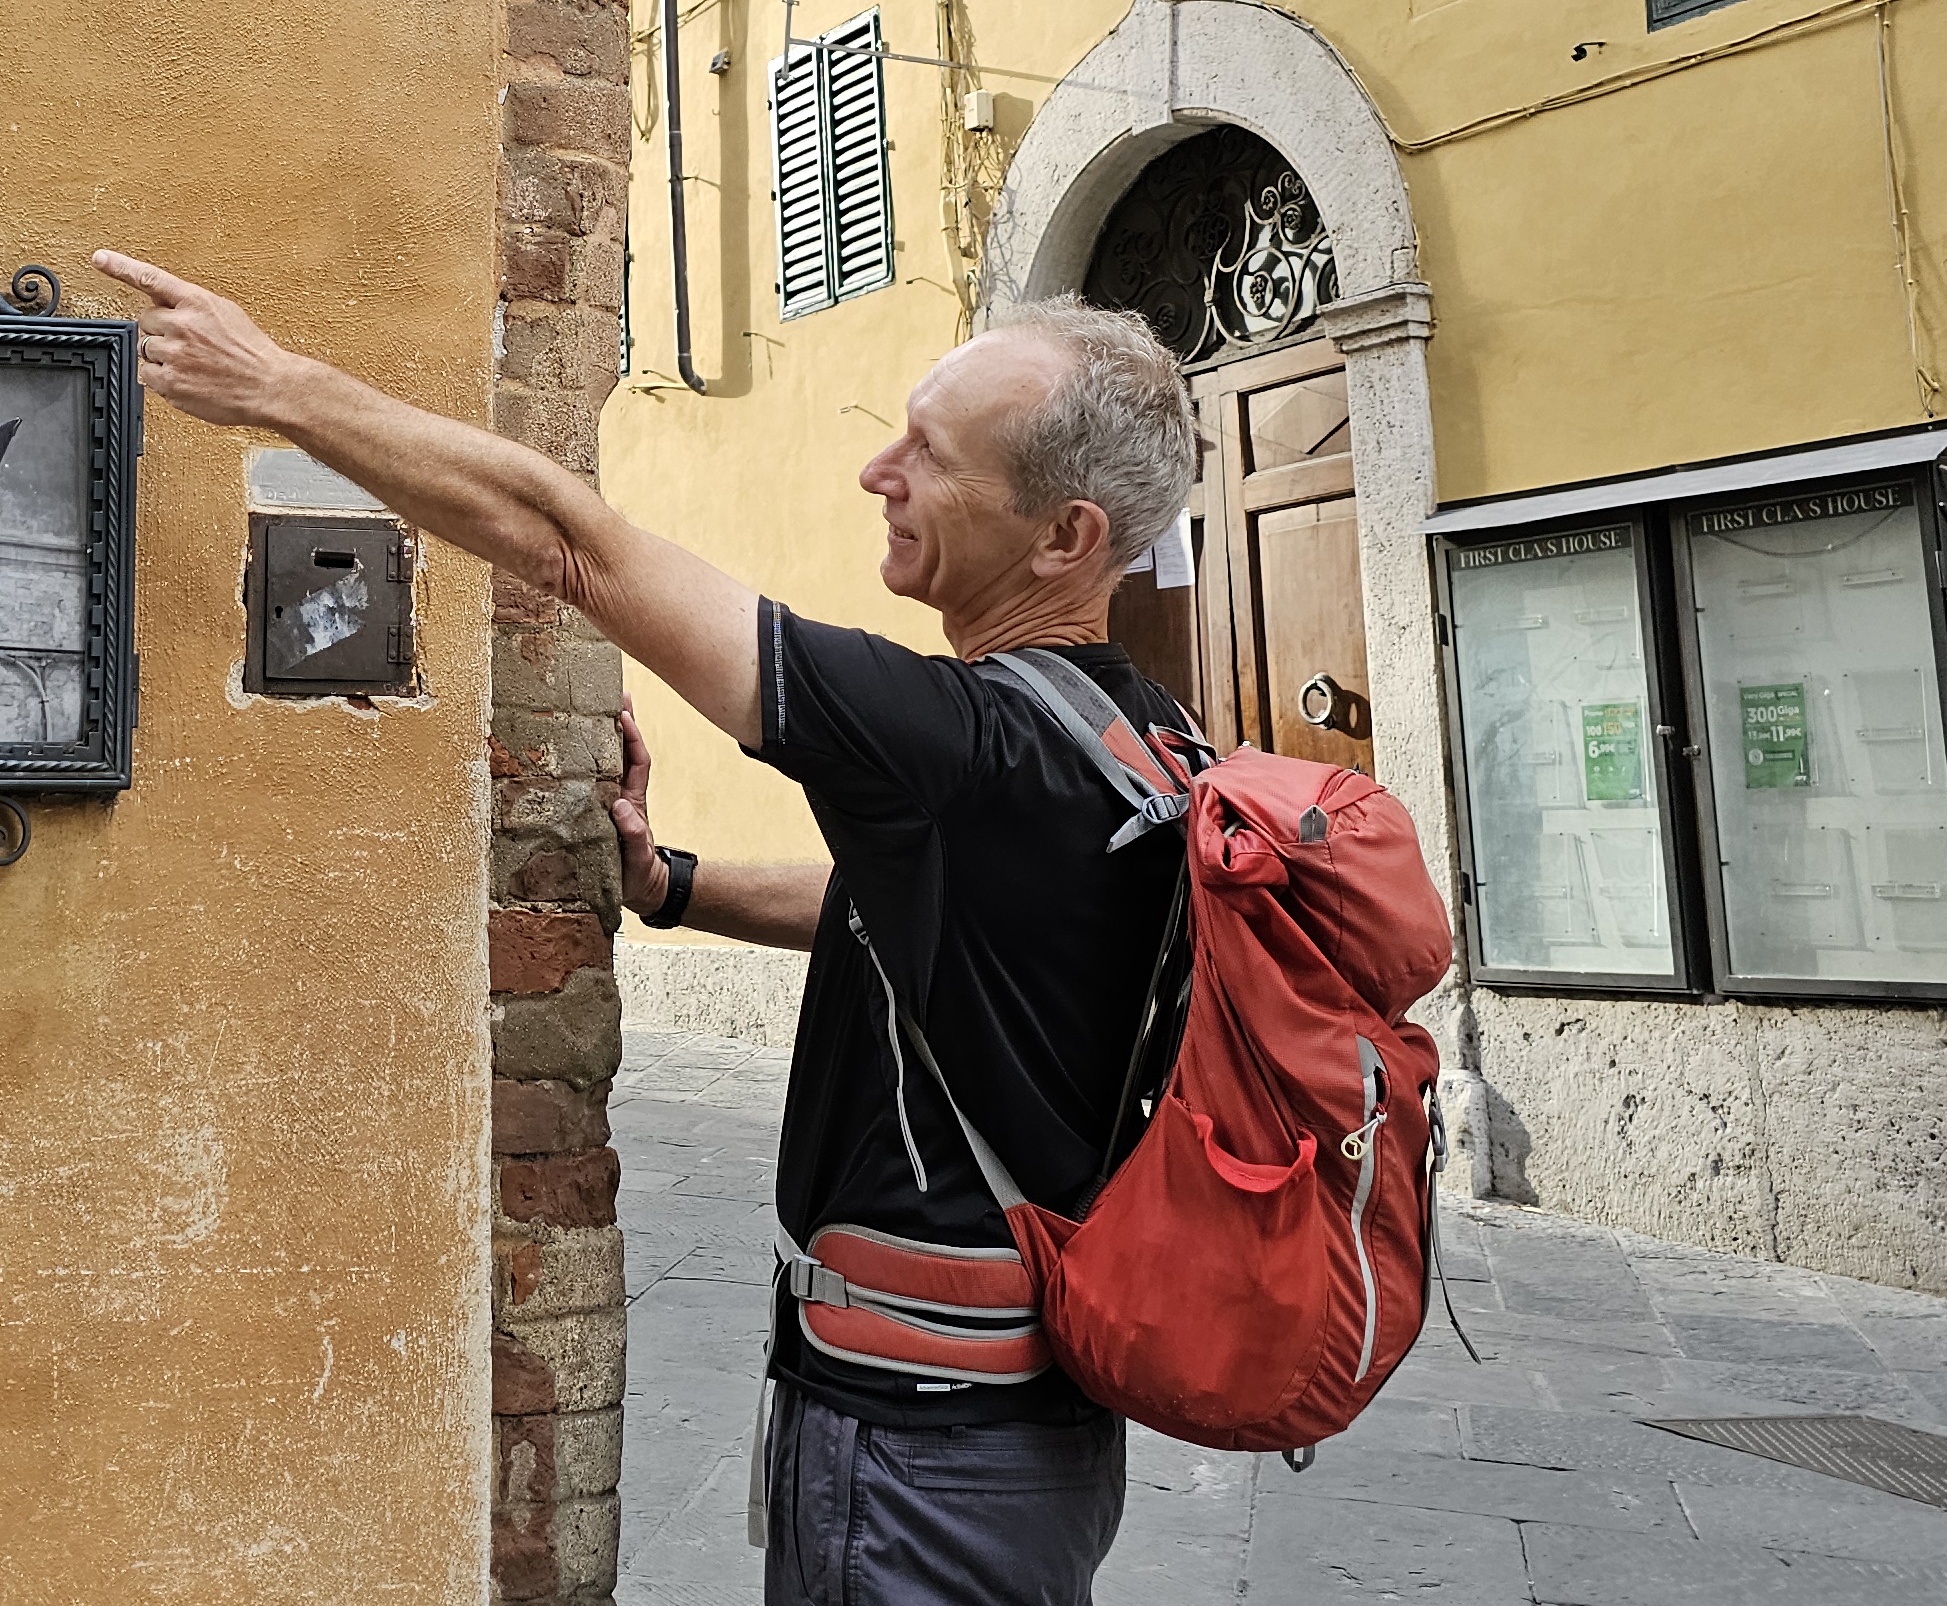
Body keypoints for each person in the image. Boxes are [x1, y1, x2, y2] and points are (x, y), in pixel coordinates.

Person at [91, 250, 1200, 1606]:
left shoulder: (959, 744)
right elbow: (941, 933)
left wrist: (277, 387)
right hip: (1034, 1431)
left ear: (1064, 537)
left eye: (931, 454)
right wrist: (672, 884)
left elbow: (567, 542)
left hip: (926, 1451)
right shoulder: (1144, 740)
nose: (879, 473)